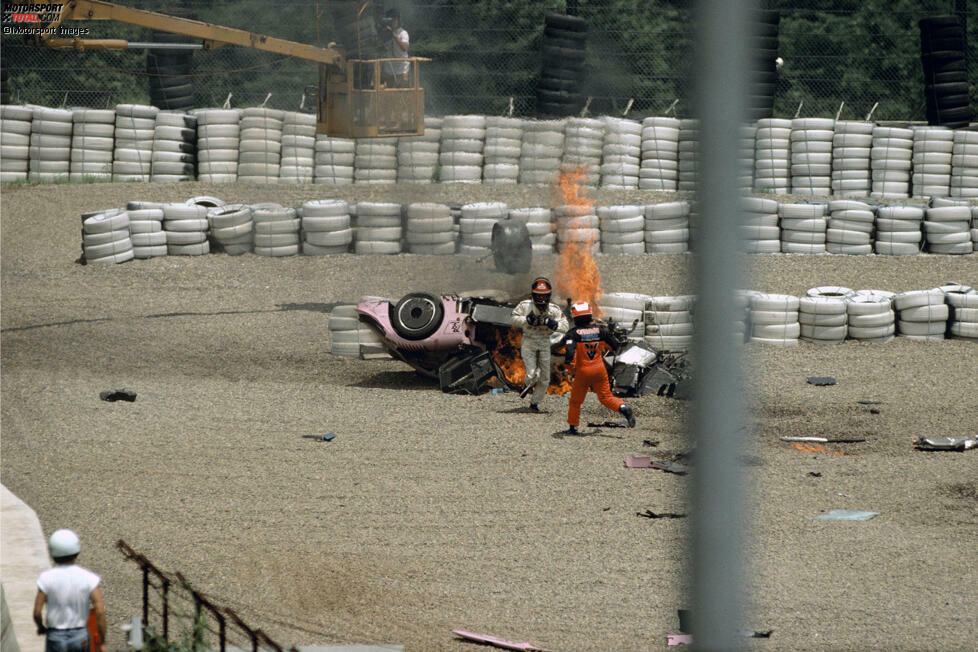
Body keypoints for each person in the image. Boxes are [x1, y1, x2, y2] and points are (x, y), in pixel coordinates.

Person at [562, 301, 635, 434]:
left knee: (575, 401)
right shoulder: (601, 331)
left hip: (583, 371)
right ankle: (623, 407)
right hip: (599, 369)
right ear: (590, 316)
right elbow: (616, 346)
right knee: (606, 397)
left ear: (575, 318)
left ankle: (573, 427)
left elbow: (569, 354)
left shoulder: (573, 333)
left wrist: (568, 368)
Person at [34, 529, 106, 652]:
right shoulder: (88, 577)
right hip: (80, 635)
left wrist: (41, 627)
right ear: (77, 551)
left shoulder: (46, 578)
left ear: (52, 552)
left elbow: (37, 612)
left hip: (55, 636)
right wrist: (102, 641)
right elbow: (99, 610)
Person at [510, 277, 568, 412]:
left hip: (544, 342)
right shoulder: (525, 306)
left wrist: (554, 324)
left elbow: (565, 326)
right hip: (529, 340)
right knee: (531, 374)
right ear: (533, 295)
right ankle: (525, 386)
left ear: (549, 295)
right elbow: (513, 318)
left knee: (545, 377)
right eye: (538, 296)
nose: (541, 299)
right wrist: (527, 320)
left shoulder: (553, 309)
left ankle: (535, 404)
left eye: (544, 296)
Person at [381, 8, 410, 87]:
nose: (393, 22)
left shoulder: (403, 33)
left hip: (401, 66)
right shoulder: (385, 34)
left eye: (395, 19)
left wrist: (394, 35)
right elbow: (383, 49)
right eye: (391, 20)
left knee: (402, 91)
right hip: (390, 67)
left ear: (398, 20)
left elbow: (405, 48)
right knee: (390, 92)